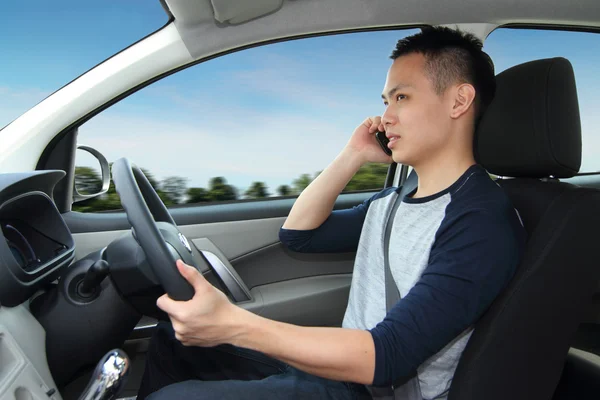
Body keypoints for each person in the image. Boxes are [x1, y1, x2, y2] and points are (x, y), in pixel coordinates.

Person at [137, 26, 526, 400]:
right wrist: (353, 154)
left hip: (378, 387)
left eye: (402, 98)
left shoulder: (480, 222)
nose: (386, 116)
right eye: (386, 101)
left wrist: (234, 325)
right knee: (172, 338)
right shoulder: (394, 199)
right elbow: (299, 235)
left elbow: (388, 356)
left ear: (459, 101)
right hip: (340, 372)